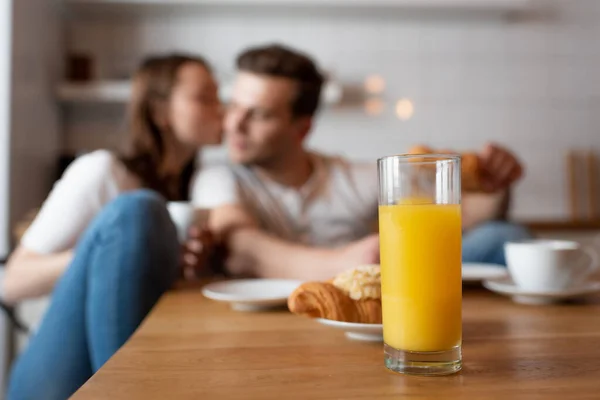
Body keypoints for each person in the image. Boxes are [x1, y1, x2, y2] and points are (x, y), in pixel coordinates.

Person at [191, 44, 529, 280]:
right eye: (233, 106)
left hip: (367, 318)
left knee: (503, 236)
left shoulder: (351, 177)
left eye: (259, 115)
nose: (234, 124)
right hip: (264, 327)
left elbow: (466, 215)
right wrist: (350, 263)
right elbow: (241, 248)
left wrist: (494, 182)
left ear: (302, 127)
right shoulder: (219, 177)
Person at [3, 53, 222, 399]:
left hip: (135, 354)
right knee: (135, 211)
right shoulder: (102, 171)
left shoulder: (196, 189)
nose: (220, 107)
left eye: (218, 95)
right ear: (159, 112)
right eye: (204, 97)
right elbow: (11, 282)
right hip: (53, 376)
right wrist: (106, 252)